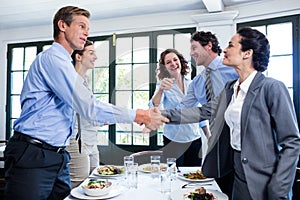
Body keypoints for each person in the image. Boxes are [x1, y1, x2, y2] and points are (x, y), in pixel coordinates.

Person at [3, 6, 168, 200]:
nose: (86, 32)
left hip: (57, 155)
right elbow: (88, 106)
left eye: (87, 28)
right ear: (62, 25)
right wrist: (141, 115)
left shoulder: (65, 64)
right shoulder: (52, 59)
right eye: (81, 26)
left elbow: (80, 111)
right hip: (33, 154)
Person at [157, 27, 300, 199]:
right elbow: (205, 111)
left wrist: (279, 188)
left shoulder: (272, 88)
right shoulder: (230, 88)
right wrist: (160, 115)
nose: (224, 49)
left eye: (231, 45)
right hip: (236, 171)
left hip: (264, 180)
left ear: (247, 53)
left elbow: (291, 142)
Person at [177, 31, 238, 197]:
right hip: (216, 141)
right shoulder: (197, 82)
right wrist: (156, 114)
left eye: (194, 47)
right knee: (220, 187)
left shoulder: (233, 69)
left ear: (208, 45)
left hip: (240, 138)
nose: (191, 53)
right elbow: (183, 110)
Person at [149, 48, 202, 166]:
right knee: (172, 176)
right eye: (168, 62)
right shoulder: (163, 84)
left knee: (193, 176)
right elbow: (154, 105)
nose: (173, 63)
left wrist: (208, 136)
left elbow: (199, 111)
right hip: (173, 140)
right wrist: (161, 90)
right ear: (164, 67)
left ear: (180, 62)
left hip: (194, 138)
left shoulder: (192, 83)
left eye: (175, 60)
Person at [66, 40, 101, 188]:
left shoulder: (85, 80)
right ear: (78, 57)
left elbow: (87, 112)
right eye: (91, 53)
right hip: (77, 140)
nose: (95, 57)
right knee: (79, 186)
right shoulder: (71, 80)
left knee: (95, 182)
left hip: (91, 139)